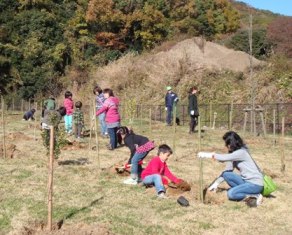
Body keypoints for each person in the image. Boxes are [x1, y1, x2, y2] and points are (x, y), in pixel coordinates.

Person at [198, 131, 264, 207]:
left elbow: (224, 158)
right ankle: (247, 192)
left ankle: (256, 195)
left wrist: (208, 155)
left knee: (231, 194)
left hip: (255, 184)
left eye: (227, 143)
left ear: (232, 143)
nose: (226, 146)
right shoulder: (234, 154)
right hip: (246, 182)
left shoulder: (241, 152)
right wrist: (216, 183)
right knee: (226, 174)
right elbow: (228, 170)